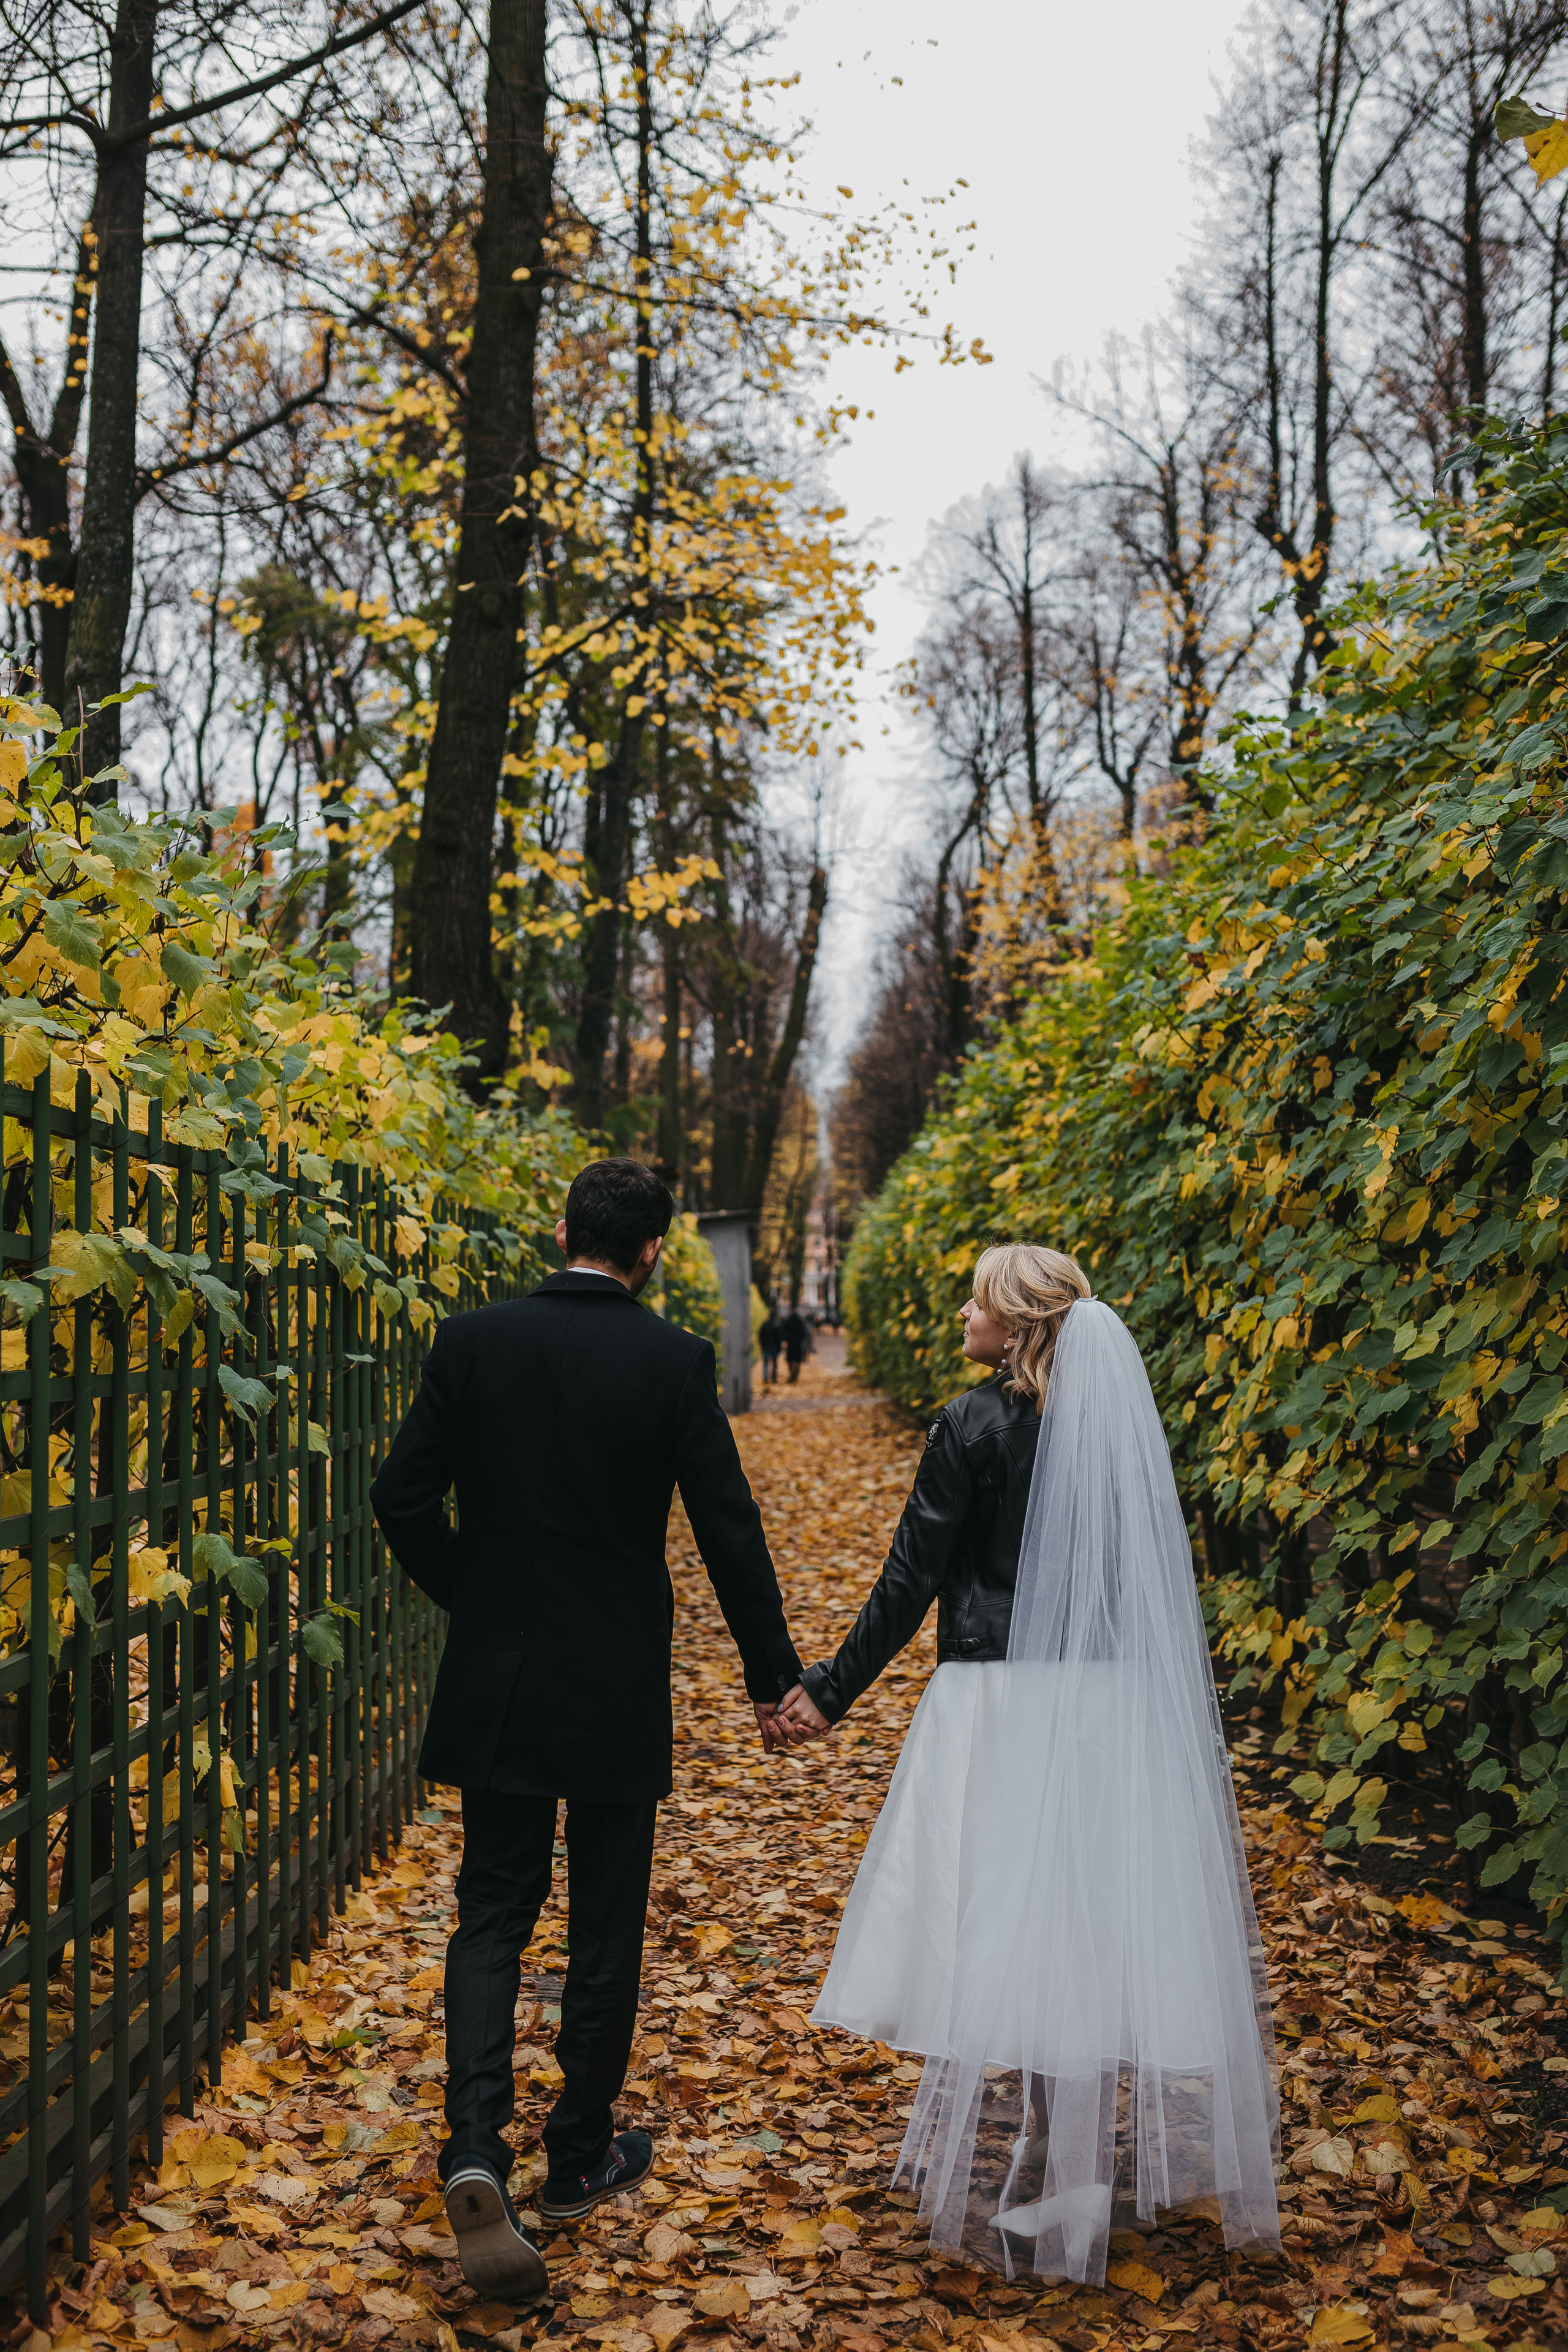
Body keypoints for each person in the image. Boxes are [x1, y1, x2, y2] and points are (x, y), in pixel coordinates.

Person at [775, 1245, 1279, 2288]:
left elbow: (913, 1573)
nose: (963, 1311)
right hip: (1108, 1705)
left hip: (1001, 1702)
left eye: (979, 1298)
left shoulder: (971, 1423)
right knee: (1087, 1920)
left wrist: (829, 1688)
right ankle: (1070, 2153)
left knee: (1022, 1921)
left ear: (1015, 1322)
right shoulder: (1110, 1431)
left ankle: (1063, 2156)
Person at [371, 1158, 807, 2303]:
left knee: (493, 1909)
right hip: (614, 1681)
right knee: (605, 1919)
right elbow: (728, 1527)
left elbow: (400, 1497)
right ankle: (578, 2157)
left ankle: (475, 2145)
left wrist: (474, 1593)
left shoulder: (472, 1341)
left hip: (502, 1677)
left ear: (560, 1229)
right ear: (654, 1250)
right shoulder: (669, 1360)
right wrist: (774, 1676)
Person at [782, 1303, 808, 1384]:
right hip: (798, 1344)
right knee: (798, 1361)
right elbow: (804, 1333)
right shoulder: (800, 1322)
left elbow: (784, 1332)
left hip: (791, 1344)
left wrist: (787, 1339)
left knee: (790, 1360)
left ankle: (791, 1375)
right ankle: (795, 1375)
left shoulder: (788, 1322)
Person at [759, 1303, 784, 1385]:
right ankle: (773, 1378)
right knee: (775, 1363)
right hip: (775, 1347)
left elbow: (761, 1336)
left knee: (766, 1363)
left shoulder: (765, 1325)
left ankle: (766, 1377)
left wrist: (762, 1345)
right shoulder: (777, 1325)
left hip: (766, 1346)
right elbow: (780, 1337)